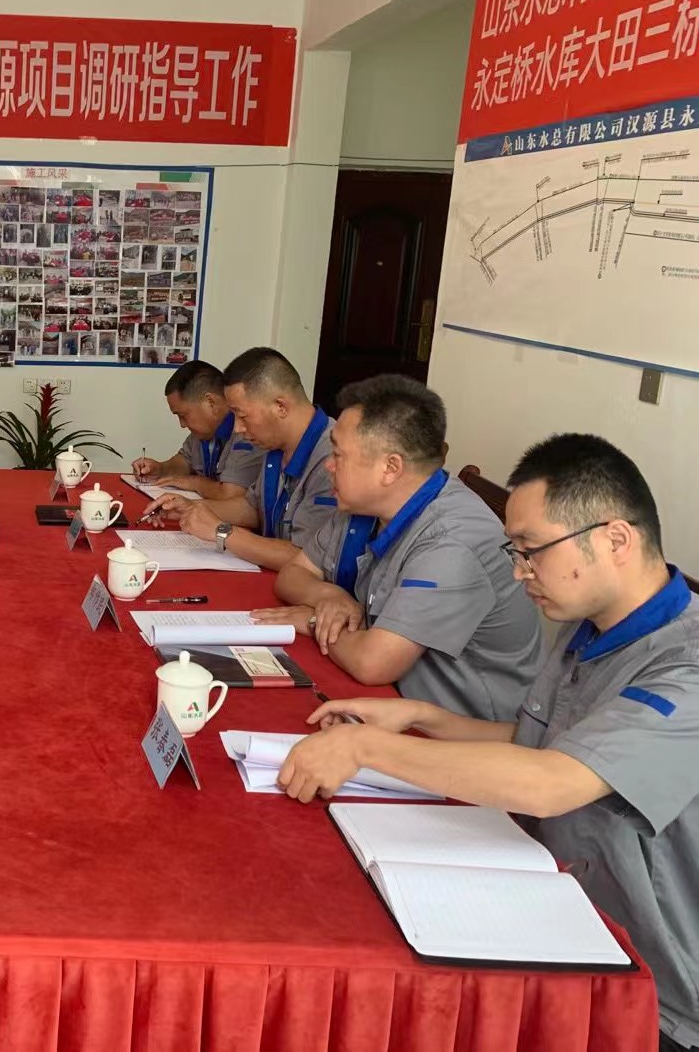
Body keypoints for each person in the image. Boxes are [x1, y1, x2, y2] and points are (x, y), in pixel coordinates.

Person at [278, 434, 698, 1051]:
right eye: (515, 551)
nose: (519, 572)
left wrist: (366, 749)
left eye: (532, 551)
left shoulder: (685, 670)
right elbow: (541, 742)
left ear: (615, 540)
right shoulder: (592, 624)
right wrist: (421, 716)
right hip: (554, 911)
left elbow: (554, 781)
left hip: (650, 993)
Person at [254, 375, 540, 721]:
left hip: (457, 726)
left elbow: (373, 663)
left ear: (390, 468)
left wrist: (313, 620)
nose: (328, 465)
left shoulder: (451, 542)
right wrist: (330, 596)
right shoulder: (366, 504)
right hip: (391, 700)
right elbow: (293, 574)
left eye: (339, 455)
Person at [143, 347, 339, 571]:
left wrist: (222, 532)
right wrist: (191, 508)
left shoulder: (334, 459)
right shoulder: (276, 445)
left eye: (243, 416)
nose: (237, 428)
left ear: (280, 407)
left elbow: (309, 559)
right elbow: (252, 508)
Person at [130, 360, 263, 501]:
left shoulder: (246, 432)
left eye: (183, 415)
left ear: (211, 402)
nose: (182, 424)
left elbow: (231, 494)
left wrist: (194, 482)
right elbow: (184, 461)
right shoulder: (203, 432)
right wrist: (161, 469)